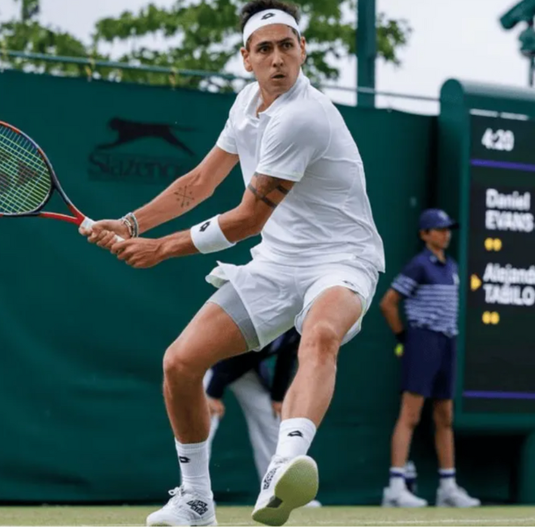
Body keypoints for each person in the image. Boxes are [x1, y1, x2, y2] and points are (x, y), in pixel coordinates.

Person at [81, 0, 385, 524]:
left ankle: (284, 464)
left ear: (302, 50)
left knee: (320, 335)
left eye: (286, 46)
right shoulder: (246, 104)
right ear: (246, 59)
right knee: (180, 363)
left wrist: (161, 248)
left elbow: (247, 219)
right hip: (276, 265)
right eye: (263, 49)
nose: (276, 60)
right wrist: (131, 225)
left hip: (343, 258)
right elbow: (198, 184)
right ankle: (196, 500)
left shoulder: (303, 117)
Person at [378, 209, 480, 508]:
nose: (445, 233)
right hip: (422, 340)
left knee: (445, 416)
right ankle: (395, 488)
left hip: (447, 341)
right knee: (410, 415)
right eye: (439, 229)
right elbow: (388, 303)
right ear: (425, 234)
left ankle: (447, 487)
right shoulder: (418, 265)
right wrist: (404, 338)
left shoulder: (452, 267)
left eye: (448, 228)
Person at [204, 329, 321, 509]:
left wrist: (277, 398)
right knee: (203, 425)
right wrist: (213, 393)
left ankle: (279, 494)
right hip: (214, 364)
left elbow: (286, 358)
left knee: (272, 420)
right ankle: (197, 496)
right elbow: (227, 351)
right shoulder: (272, 311)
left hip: (247, 370)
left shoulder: (297, 326)